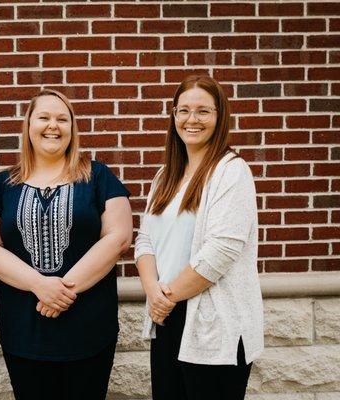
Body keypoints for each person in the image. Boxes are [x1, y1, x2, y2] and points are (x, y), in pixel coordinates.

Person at [0, 89, 133, 400]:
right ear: (28, 126)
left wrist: (61, 290)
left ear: (72, 129)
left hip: (89, 329)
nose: (53, 125)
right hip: (23, 331)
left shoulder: (98, 177)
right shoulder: (1, 185)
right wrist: (38, 284)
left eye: (63, 119)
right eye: (43, 117)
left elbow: (119, 237)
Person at [134, 75, 264, 400]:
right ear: (174, 115)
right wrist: (154, 294)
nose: (192, 119)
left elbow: (220, 250)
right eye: (184, 110)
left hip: (214, 328)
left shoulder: (231, 172)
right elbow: (145, 241)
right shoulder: (165, 176)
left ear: (220, 117)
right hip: (166, 318)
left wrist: (165, 298)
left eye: (203, 111)